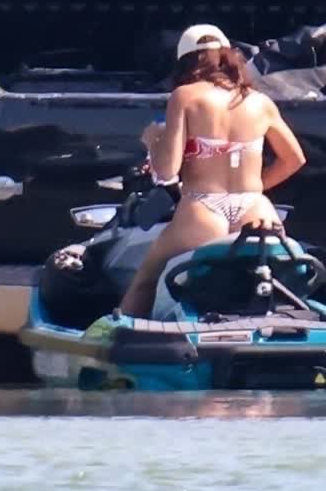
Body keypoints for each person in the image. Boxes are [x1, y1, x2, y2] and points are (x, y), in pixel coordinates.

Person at [120, 24, 306, 318]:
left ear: (185, 61)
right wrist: (255, 187)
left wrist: (154, 141)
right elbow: (294, 159)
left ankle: (121, 336)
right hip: (255, 209)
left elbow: (167, 171)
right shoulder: (260, 102)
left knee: (146, 277)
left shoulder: (185, 96)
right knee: (258, 281)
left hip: (203, 208)